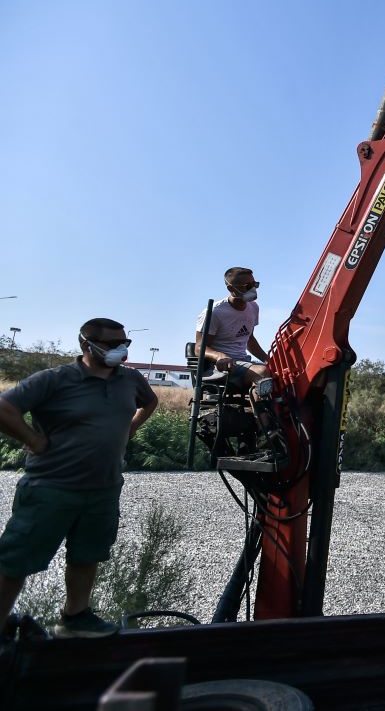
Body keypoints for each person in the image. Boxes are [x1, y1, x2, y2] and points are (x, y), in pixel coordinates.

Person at [0, 318, 158, 638]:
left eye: (125, 343)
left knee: (88, 555)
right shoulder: (55, 379)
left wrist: (130, 429)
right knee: (16, 561)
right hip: (51, 487)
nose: (121, 350)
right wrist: (33, 440)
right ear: (86, 345)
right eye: (113, 345)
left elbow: (150, 401)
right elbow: (4, 408)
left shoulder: (130, 380)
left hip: (103, 487)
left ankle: (75, 618)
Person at [195, 267, 270, 388]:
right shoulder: (215, 312)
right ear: (231, 288)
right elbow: (199, 348)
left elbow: (249, 339)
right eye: (247, 286)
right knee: (261, 373)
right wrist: (220, 356)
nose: (253, 289)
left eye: (255, 284)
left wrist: (269, 360)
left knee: (279, 373)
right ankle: (263, 407)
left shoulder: (253, 308)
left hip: (244, 361)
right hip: (219, 367)